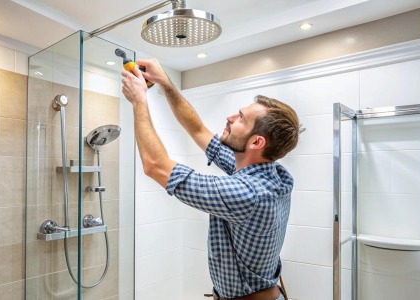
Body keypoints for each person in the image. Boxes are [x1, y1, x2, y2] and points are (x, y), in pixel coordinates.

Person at [121, 58, 299, 300]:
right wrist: (164, 82)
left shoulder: (246, 194)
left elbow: (155, 165)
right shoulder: (273, 174)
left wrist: (139, 100)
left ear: (257, 143)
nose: (229, 117)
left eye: (240, 118)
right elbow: (198, 130)